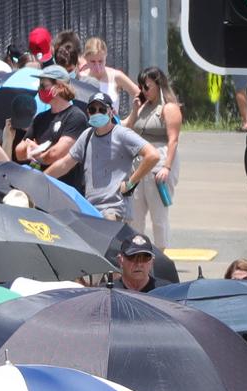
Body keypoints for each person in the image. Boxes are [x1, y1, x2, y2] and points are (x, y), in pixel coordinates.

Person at [46, 92, 160, 220]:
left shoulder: (122, 134)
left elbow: (153, 155)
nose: (97, 113)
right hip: (90, 209)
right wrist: (41, 178)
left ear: (111, 112)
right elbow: (65, 164)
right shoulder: (87, 135)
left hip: (114, 210)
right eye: (92, 110)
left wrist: (130, 183)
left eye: (102, 109)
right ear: (88, 113)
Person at [122, 67, 182, 251]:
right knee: (135, 213)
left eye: (147, 86)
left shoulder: (168, 107)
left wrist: (167, 167)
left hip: (160, 162)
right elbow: (127, 127)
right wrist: (134, 109)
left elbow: (173, 140)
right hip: (140, 163)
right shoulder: (143, 107)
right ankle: (135, 250)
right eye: (141, 87)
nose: (144, 91)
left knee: (159, 215)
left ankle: (161, 254)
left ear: (158, 84)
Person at [14, 67, 87, 186]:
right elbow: (19, 152)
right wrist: (29, 149)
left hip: (67, 190)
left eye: (43, 86)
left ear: (59, 86)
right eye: (39, 86)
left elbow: (55, 154)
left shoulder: (75, 117)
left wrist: (36, 151)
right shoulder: (40, 118)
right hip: (42, 190)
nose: (40, 90)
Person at [79, 36, 138, 115]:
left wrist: (131, 119)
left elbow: (140, 95)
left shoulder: (116, 76)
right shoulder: (80, 79)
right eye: (93, 62)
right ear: (85, 58)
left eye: (100, 61)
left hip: (112, 126)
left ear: (106, 56)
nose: (97, 67)